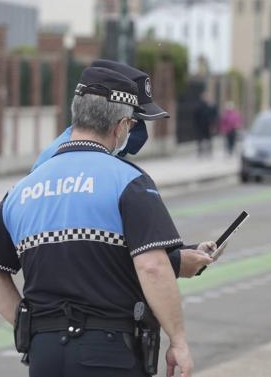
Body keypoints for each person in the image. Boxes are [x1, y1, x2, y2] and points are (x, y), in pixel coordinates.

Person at [0, 66, 209, 377]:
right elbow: (151, 266)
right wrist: (178, 340)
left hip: (45, 355)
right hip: (109, 352)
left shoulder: (23, 189)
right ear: (122, 125)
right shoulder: (129, 181)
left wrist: (27, 323)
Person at [32, 59, 215, 278]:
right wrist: (174, 263)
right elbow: (84, 249)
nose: (137, 130)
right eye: (134, 121)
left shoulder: (95, 161)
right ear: (116, 119)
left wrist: (180, 256)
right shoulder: (64, 163)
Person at [192, 92, 215, 157]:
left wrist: (212, 124)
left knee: (208, 139)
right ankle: (201, 151)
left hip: (206, 125)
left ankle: (208, 151)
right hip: (201, 125)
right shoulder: (199, 106)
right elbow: (195, 116)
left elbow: (213, 116)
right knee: (201, 139)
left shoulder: (210, 106)